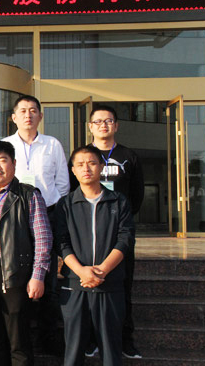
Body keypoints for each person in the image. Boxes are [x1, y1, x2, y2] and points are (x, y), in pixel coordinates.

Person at [0, 140, 52, 366]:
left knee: (18, 342)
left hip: (14, 275)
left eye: (2, 160)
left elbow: (43, 239)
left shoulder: (27, 195)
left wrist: (38, 275)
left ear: (14, 164)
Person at [73, 105, 144, 359]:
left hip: (118, 231)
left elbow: (137, 195)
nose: (103, 125)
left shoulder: (128, 156)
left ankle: (125, 339)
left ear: (116, 125)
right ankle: (91, 340)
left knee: (123, 287)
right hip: (87, 232)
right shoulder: (82, 155)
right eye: (98, 121)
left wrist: (119, 218)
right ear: (90, 126)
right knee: (88, 289)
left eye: (108, 121)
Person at [55, 146, 135, 366]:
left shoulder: (118, 201)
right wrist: (81, 271)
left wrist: (103, 270)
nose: (86, 169)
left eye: (91, 163)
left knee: (111, 350)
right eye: (80, 164)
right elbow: (61, 242)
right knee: (73, 351)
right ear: (73, 170)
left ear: (101, 167)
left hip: (109, 284)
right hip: (75, 286)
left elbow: (125, 239)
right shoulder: (66, 205)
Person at [2, 94, 68, 355]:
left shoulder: (52, 145)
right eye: (22, 111)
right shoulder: (5, 145)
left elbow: (62, 184)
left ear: (40, 115)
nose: (28, 115)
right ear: (13, 117)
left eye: (33, 110)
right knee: (17, 277)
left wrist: (50, 207)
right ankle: (20, 336)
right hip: (14, 217)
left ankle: (47, 336)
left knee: (47, 277)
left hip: (46, 215)